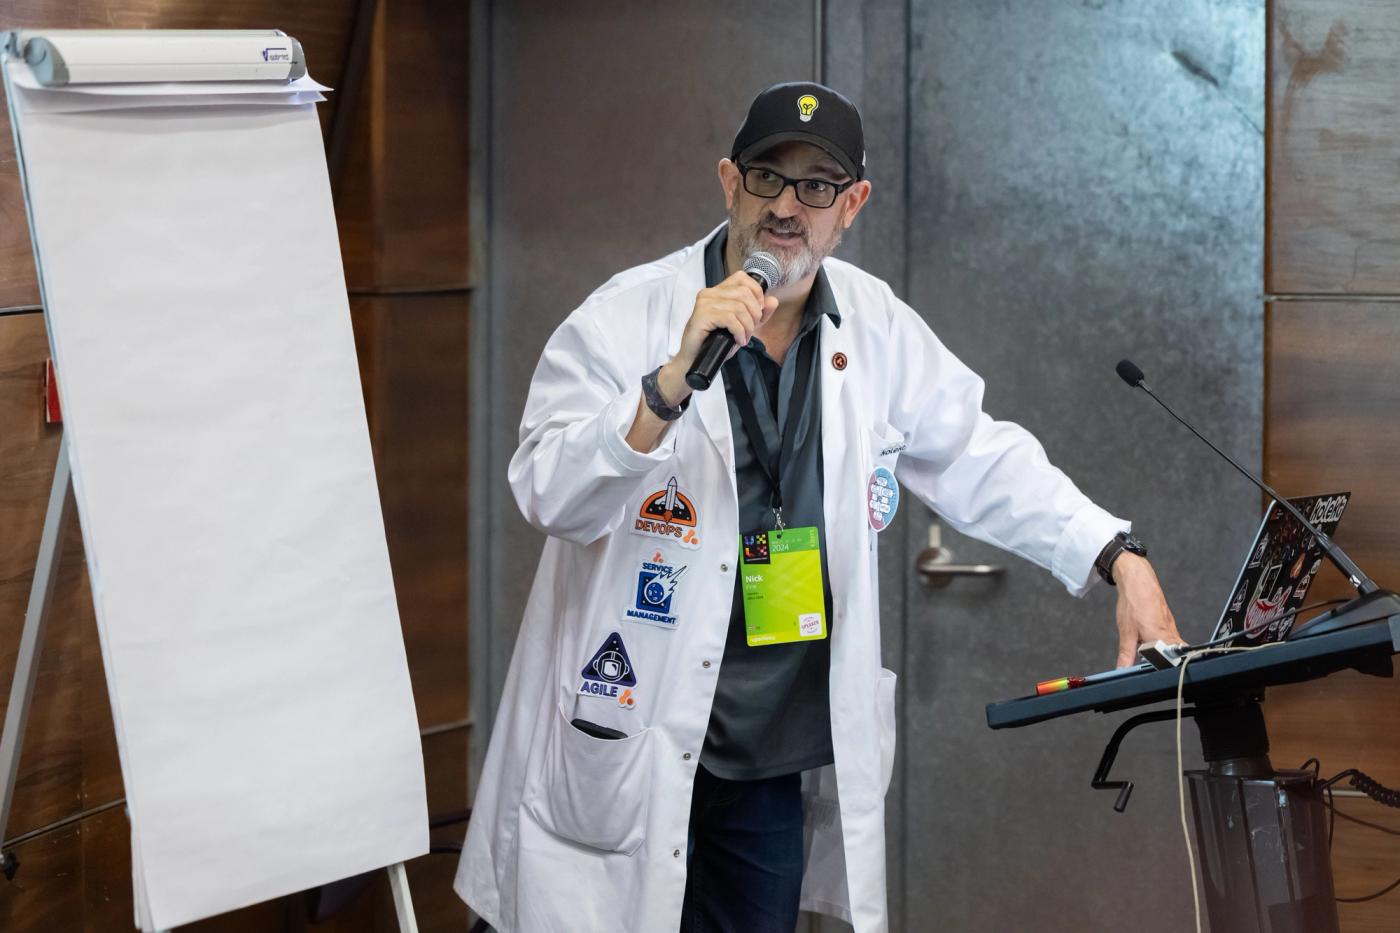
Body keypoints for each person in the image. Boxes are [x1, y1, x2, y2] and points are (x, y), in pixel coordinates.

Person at [454, 81, 1182, 933]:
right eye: (769, 176)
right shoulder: (627, 318)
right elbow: (548, 490)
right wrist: (665, 385)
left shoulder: (874, 327)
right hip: (629, 741)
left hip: (764, 764)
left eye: (818, 185)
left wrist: (1116, 555)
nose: (788, 207)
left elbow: (982, 455)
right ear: (729, 182)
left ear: (853, 205)